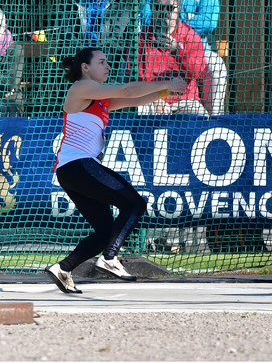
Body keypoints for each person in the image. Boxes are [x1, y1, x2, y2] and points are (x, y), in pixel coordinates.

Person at [45, 47, 186, 294]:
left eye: (107, 62)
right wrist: (166, 81)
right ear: (85, 68)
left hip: (73, 171)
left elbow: (135, 99)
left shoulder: (99, 98)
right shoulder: (81, 87)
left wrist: (166, 91)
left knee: (105, 230)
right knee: (135, 204)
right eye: (102, 62)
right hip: (79, 166)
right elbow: (128, 90)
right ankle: (110, 258)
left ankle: (64, 268)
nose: (107, 66)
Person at [141, 0, 227, 114]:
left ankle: (215, 117)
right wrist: (187, 17)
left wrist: (178, 23)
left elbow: (209, 23)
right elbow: (146, 17)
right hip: (159, 45)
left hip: (197, 48)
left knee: (216, 65)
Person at [54, 0, 132, 83]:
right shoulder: (75, 1)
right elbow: (68, 35)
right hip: (81, 64)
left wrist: (96, 60)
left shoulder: (122, 3)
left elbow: (117, 39)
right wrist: (84, 59)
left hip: (111, 63)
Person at [138, 0, 211, 115]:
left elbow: (198, 72)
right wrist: (156, 97)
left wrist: (177, 51)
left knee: (199, 114)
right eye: (159, 8)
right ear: (152, 9)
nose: (164, 13)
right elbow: (137, 75)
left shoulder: (190, 36)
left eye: (170, 8)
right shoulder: (142, 39)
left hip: (184, 101)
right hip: (151, 100)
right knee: (141, 109)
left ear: (179, 11)